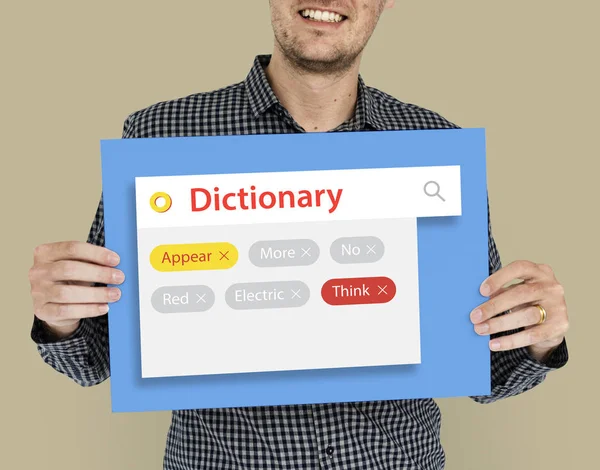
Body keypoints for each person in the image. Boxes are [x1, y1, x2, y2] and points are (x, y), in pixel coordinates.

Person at [28, 1, 569, 468]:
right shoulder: (161, 137)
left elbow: (489, 366)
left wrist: (539, 332)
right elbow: (96, 359)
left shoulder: (434, 147)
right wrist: (60, 316)